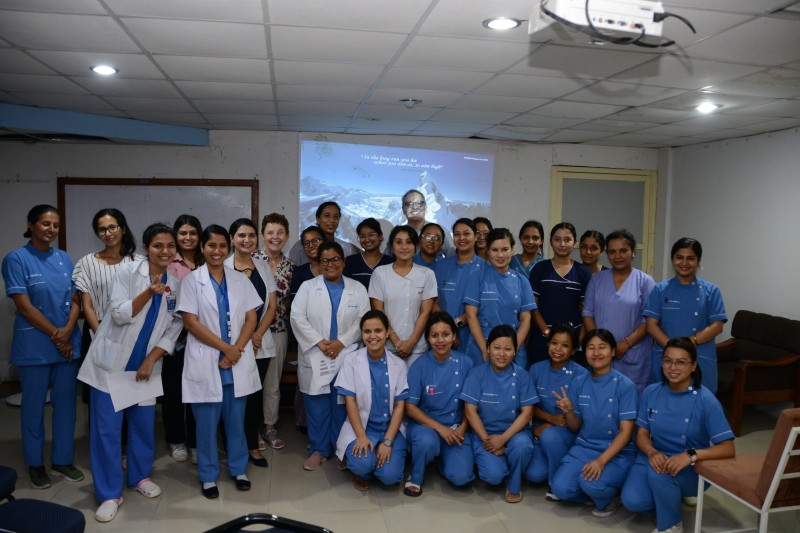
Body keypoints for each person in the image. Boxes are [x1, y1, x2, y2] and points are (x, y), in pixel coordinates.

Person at [77, 223, 183, 522]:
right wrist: (149, 292)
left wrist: (151, 359)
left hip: (146, 367)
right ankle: (109, 493)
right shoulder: (127, 271)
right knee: (107, 433)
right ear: (146, 248)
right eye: (158, 245)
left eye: (170, 246)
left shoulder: (176, 284)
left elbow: (175, 327)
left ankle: (139, 477)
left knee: (142, 427)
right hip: (112, 366)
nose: (165, 251)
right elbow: (120, 313)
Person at [177, 225, 263, 499]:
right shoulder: (191, 281)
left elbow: (251, 318)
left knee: (236, 422)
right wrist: (227, 349)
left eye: (222, 246)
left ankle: (238, 469)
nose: (217, 251)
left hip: (235, 363)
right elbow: (191, 323)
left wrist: (235, 350)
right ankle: (208, 476)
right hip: (207, 362)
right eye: (211, 245)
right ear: (202, 247)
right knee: (205, 426)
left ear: (229, 248)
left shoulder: (240, 280)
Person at [2, 204, 83, 489]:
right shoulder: (16, 259)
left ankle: (62, 460)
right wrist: (58, 336)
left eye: (56, 225)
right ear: (31, 224)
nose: (52, 229)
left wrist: (68, 330)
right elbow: (24, 307)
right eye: (46, 224)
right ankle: (35, 464)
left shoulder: (63, 258)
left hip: (67, 346)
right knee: (33, 408)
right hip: (35, 347)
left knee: (66, 407)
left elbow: (76, 299)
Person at [621, 337, 735, 533]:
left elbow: (728, 448)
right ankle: (668, 500)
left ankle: (672, 525)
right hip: (654, 457)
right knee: (633, 501)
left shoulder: (706, 400)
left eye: (681, 362)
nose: (673, 367)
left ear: (693, 366)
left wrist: (690, 455)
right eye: (667, 361)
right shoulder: (651, 392)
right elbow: (642, 434)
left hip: (691, 465)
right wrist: (652, 452)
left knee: (660, 474)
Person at [291, 241, 370, 471]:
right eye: (324, 260)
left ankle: (340, 449)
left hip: (346, 354)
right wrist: (319, 342)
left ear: (343, 262)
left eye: (335, 259)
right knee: (316, 404)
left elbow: (363, 320)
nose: (330, 264)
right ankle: (318, 450)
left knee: (342, 405)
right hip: (316, 354)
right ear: (318, 263)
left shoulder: (357, 288)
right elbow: (297, 317)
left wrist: (340, 342)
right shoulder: (308, 287)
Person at [549, 329, 637, 518]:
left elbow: (626, 432)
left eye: (602, 347)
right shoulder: (579, 382)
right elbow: (574, 427)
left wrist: (601, 461)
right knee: (560, 488)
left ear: (613, 351)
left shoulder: (625, 386)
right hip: (585, 448)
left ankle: (611, 496)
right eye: (591, 348)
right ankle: (594, 493)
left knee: (591, 483)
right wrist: (569, 411)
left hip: (617, 453)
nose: (596, 353)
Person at [460, 325, 537, 503]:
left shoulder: (522, 375)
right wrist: (488, 440)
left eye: (508, 349)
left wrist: (503, 439)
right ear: (488, 348)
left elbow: (527, 413)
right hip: (484, 434)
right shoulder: (477, 374)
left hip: (514, 433)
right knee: (493, 476)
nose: (502, 354)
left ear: (515, 351)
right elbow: (470, 411)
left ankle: (514, 481)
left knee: (522, 447)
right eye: (496, 348)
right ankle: (499, 463)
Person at [334, 310, 409, 492]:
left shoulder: (399, 364)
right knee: (361, 464)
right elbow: (350, 402)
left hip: (390, 429)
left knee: (390, 477)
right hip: (362, 427)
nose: (373, 336)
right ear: (362, 334)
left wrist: (388, 442)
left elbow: (399, 406)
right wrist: (361, 436)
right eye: (367, 331)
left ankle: (378, 463)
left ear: (387, 333)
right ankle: (364, 471)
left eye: (378, 330)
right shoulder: (351, 361)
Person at [225, 218, 278, 467]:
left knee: (255, 395)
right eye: (241, 235)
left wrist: (257, 334)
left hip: (260, 343)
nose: (247, 240)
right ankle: (232, 444)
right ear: (232, 239)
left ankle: (252, 445)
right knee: (234, 396)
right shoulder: (223, 266)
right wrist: (246, 337)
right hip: (232, 342)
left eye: (251, 235)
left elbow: (272, 305)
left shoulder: (262, 266)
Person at [404, 312, 475, 496]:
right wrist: (440, 429)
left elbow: (472, 404)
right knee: (426, 442)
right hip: (426, 426)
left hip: (456, 428)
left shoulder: (466, 364)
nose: (440, 340)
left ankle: (443, 462)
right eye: (434, 335)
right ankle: (416, 476)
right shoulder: (419, 366)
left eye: (446, 334)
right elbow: (410, 407)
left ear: (454, 336)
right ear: (428, 338)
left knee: (461, 478)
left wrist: (463, 428)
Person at [644, 238, 727, 393]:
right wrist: (673, 349)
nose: (684, 263)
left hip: (699, 356)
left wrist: (689, 342)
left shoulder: (711, 291)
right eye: (679, 257)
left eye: (690, 258)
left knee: (700, 401)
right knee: (663, 399)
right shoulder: (660, 290)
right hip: (666, 355)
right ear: (672, 260)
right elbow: (651, 325)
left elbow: (717, 326)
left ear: (698, 261)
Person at [583, 229, 655, 395]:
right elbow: (587, 313)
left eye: (623, 251)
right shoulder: (597, 279)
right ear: (607, 254)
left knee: (631, 401)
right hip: (601, 355)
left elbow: (649, 320)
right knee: (601, 398)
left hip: (633, 355)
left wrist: (627, 343)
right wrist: (599, 345)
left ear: (633, 252)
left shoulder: (645, 282)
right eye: (612, 252)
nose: (618, 256)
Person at [525, 324, 589, 499]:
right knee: (534, 475)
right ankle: (560, 462)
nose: (558, 349)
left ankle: (556, 483)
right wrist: (549, 419)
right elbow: (528, 406)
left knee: (550, 436)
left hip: (569, 431)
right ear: (548, 344)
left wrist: (552, 424)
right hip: (541, 429)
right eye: (554, 343)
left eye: (565, 345)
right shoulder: (536, 369)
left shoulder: (581, 375)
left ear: (574, 350)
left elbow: (579, 417)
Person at [73, 208, 141, 372]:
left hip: (130, 331)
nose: (108, 233)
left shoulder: (138, 262)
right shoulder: (87, 262)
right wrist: (101, 337)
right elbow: (87, 305)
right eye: (102, 229)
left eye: (112, 227)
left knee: (127, 382)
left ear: (123, 229)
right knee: (97, 382)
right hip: (96, 329)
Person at [464, 228, 535, 369]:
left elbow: (526, 319)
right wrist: (485, 349)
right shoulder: (477, 277)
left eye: (505, 249)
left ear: (512, 250)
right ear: (488, 251)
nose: (500, 255)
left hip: (513, 350)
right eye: (495, 250)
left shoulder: (522, 281)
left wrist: (512, 349)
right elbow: (471, 316)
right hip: (482, 347)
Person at [252, 212, 294, 450]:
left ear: (287, 236)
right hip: (249, 332)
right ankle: (252, 428)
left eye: (280, 233)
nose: (275, 237)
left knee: (272, 383)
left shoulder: (291, 267)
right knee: (251, 381)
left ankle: (269, 427)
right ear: (262, 235)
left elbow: (287, 301)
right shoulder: (250, 260)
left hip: (277, 329)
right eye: (270, 232)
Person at [162, 214, 203, 463]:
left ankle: (197, 442)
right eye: (183, 233)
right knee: (174, 392)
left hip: (203, 338)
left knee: (199, 392)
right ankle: (176, 440)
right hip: (174, 338)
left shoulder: (207, 260)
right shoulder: (169, 263)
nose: (188, 237)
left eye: (193, 233)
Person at [368, 225, 437, 367]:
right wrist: (397, 342)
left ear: (416, 247)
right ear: (392, 247)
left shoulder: (427, 274)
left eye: (409, 242)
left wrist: (411, 342)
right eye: (399, 242)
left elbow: (425, 312)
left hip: (417, 348)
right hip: (387, 344)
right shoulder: (380, 273)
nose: (404, 247)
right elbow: (378, 311)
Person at [528, 222, 591, 367]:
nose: (562, 244)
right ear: (551, 242)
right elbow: (533, 306)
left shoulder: (582, 272)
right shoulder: (540, 268)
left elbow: (586, 310)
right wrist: (546, 332)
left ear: (574, 243)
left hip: (571, 342)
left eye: (567, 240)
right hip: (542, 339)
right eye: (557, 239)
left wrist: (578, 340)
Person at [432, 218, 488, 351]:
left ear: (475, 237)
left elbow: (483, 306)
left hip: (474, 336)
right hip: (442, 338)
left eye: (466, 234)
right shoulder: (441, 267)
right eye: (457, 234)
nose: (461, 238)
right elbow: (434, 303)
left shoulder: (486, 269)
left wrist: (453, 327)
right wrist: (447, 330)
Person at [288, 202, 357, 266]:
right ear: (318, 219)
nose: (332, 220)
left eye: (336, 217)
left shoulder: (346, 248)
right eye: (327, 216)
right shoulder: (300, 247)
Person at [343, 217, 393, 290]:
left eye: (371, 235)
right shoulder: (350, 261)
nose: (367, 239)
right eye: (362, 236)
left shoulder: (391, 262)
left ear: (380, 236)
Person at [401, 189, 454, 256]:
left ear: (425, 208)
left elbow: (454, 259)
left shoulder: (441, 232)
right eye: (408, 204)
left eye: (419, 204)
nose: (414, 207)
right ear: (403, 209)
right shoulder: (396, 234)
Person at [288, 226, 326, 298]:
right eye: (306, 243)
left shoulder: (334, 268)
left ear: (325, 242)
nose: (311, 245)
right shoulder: (299, 272)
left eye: (315, 241)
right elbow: (296, 300)